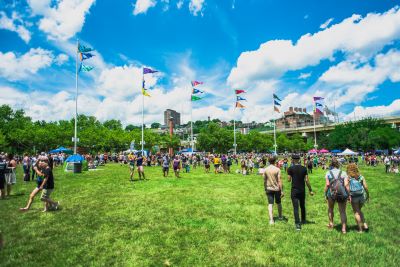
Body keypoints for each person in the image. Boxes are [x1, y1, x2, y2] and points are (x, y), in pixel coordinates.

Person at [287, 155, 314, 230]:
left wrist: (290, 175)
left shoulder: (290, 168)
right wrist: (310, 189)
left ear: (292, 160)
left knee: (296, 207)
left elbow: (288, 180)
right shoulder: (304, 168)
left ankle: (297, 224)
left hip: (294, 190)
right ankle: (303, 220)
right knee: (302, 205)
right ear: (299, 159)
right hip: (302, 190)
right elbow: (307, 180)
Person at [324, 159, 350, 234]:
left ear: (331, 165)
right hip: (341, 193)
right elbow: (346, 184)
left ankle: (331, 224)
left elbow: (327, 185)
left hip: (331, 193)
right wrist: (348, 194)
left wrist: (325, 194)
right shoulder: (344, 173)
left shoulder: (328, 172)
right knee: (342, 211)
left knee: (330, 209)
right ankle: (344, 229)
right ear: (338, 165)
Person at [347, 163, 369, 233]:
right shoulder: (361, 177)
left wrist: (348, 196)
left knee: (356, 212)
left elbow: (347, 188)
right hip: (362, 196)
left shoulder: (349, 178)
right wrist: (368, 195)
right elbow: (365, 187)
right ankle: (364, 224)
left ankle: (360, 230)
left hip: (354, 197)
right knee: (359, 210)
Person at [263, 156, 284, 225]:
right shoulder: (277, 169)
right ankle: (280, 216)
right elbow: (279, 180)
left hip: (269, 188)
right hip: (277, 189)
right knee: (279, 203)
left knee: (270, 204)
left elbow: (264, 180)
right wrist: (282, 190)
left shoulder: (266, 169)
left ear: (268, 161)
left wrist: (265, 188)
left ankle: (271, 220)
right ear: (275, 161)